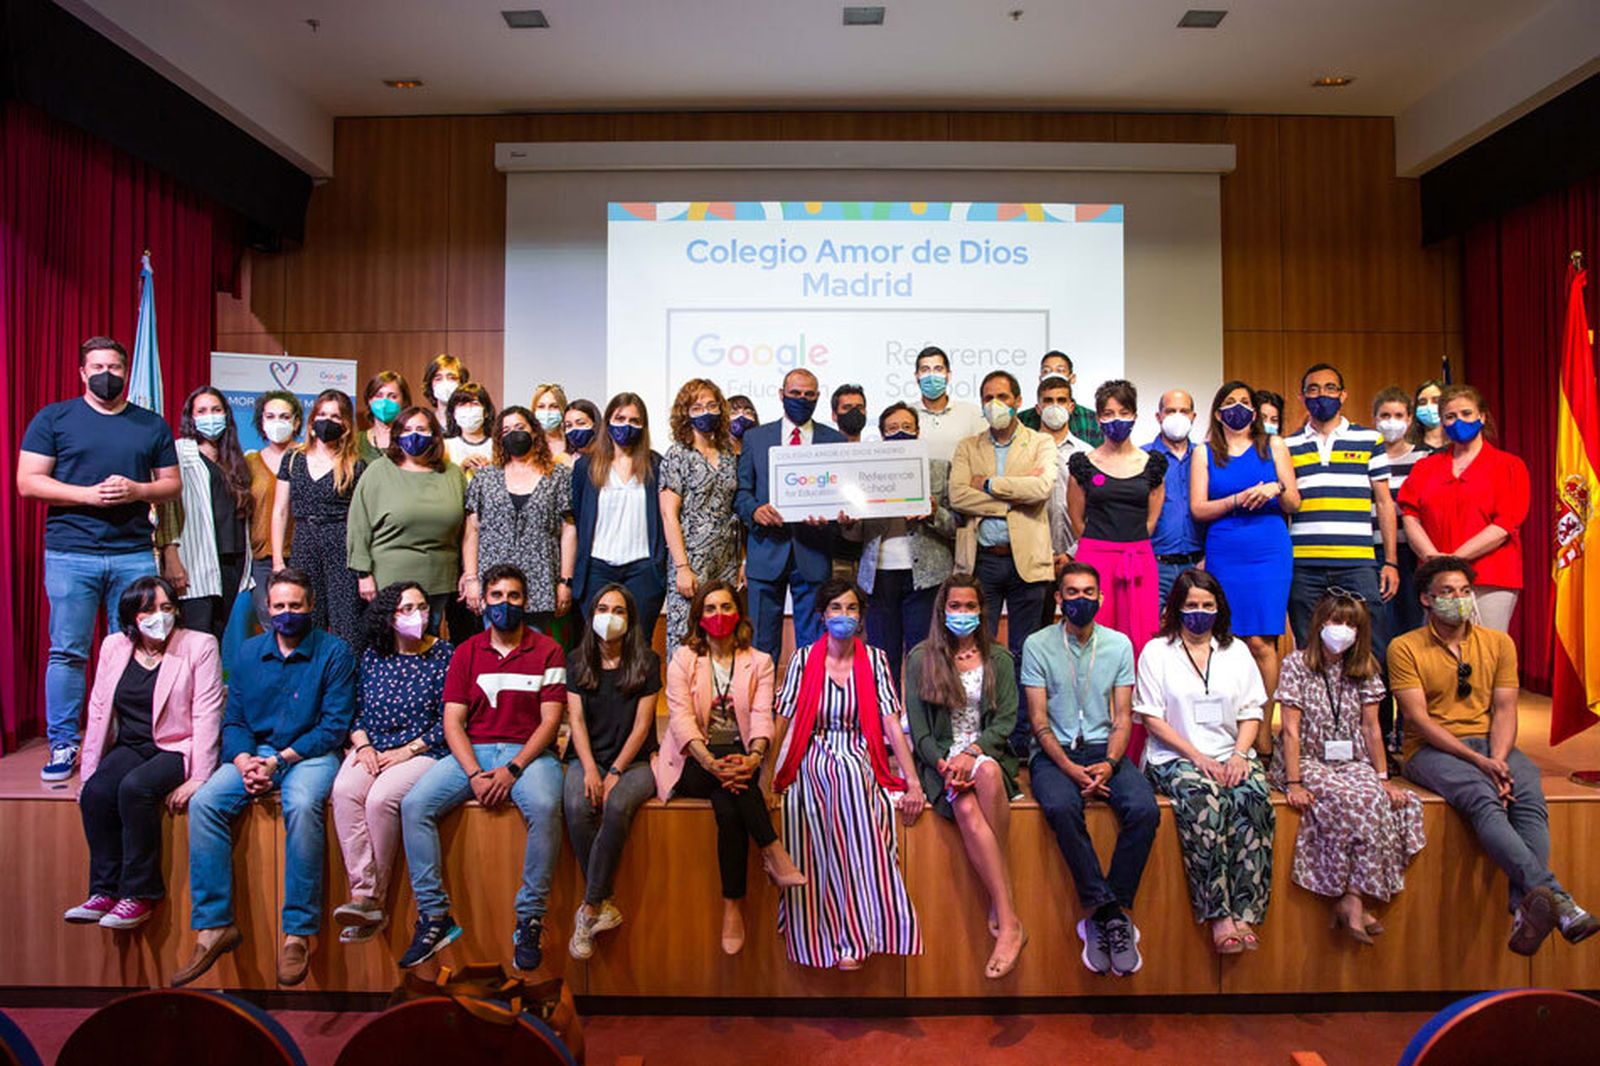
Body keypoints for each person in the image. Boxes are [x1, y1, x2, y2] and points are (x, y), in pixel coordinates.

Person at [1391, 555, 1597, 954]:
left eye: (1465, 591)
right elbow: (1420, 721)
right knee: (1483, 796)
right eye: (1447, 592)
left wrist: (1499, 759)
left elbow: (1505, 709)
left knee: (1529, 792)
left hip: (1492, 744)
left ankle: (1526, 908)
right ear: (1426, 600)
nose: (1459, 599)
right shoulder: (1405, 647)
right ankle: (1559, 900)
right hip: (1433, 750)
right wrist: (1481, 764)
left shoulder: (1499, 643)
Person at [175, 567, 354, 987]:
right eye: (279, 607)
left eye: (295, 606)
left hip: (309, 754)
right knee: (205, 803)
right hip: (255, 754)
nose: (287, 614)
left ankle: (297, 932)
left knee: (303, 802)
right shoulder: (248, 653)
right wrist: (243, 762)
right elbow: (234, 720)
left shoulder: (335, 653)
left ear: (311, 607)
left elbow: (334, 726)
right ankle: (214, 925)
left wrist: (278, 762)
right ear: (266, 610)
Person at [18, 336, 180, 782]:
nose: (107, 374)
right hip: (71, 553)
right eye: (97, 366)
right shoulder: (54, 418)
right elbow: (29, 482)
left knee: (132, 648)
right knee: (67, 651)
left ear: (126, 373)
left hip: (132, 552)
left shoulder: (150, 424)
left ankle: (125, 738)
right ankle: (65, 741)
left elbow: (171, 485)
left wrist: (137, 490)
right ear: (82, 372)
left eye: (115, 366)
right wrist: (87, 496)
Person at [398, 564, 567, 972]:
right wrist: (474, 773)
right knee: (414, 805)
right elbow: (452, 722)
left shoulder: (549, 651)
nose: (504, 604)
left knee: (546, 808)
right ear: (484, 602)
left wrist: (513, 768)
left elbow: (549, 721)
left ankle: (529, 918)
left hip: (528, 756)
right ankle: (435, 916)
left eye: (513, 596)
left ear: (525, 601)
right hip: (472, 752)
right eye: (496, 596)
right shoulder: (466, 652)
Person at [769, 579, 927, 970]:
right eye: (835, 608)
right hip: (812, 747)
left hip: (860, 749)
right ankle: (825, 934)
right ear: (822, 615)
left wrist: (913, 781)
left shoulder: (874, 660)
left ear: (861, 617)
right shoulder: (804, 659)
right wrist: (767, 780)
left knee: (852, 780)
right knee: (819, 789)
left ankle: (858, 932)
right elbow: (783, 721)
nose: (843, 616)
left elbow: (891, 724)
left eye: (851, 608)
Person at [1021, 563, 1158, 977]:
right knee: (1062, 807)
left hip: (1104, 750)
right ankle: (1110, 911)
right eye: (1072, 593)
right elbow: (1038, 720)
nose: (1081, 599)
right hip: (1054, 753)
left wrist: (1111, 763)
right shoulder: (1037, 643)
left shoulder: (1118, 645)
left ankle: (1104, 915)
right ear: (1059, 599)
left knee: (1145, 810)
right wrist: (1067, 766)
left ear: (1100, 598)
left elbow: (1122, 717)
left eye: (1089, 592)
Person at [657, 581, 805, 956]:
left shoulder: (760, 661)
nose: (718, 615)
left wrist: (755, 758)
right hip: (693, 759)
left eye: (726, 607)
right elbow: (682, 721)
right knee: (734, 788)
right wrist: (711, 762)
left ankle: (732, 906)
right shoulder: (682, 659)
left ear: (738, 613)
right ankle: (772, 851)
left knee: (728, 805)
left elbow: (760, 716)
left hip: (740, 758)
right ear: (699, 617)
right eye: (709, 609)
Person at [65, 577, 221, 931]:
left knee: (134, 789)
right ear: (133, 616)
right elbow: (100, 709)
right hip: (132, 744)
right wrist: (89, 773)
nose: (159, 616)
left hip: (177, 746)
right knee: (97, 793)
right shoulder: (114, 647)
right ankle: (104, 890)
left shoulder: (200, 645)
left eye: (167, 608)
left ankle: (140, 893)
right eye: (149, 610)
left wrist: (200, 776)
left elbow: (207, 713)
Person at [1271, 590, 1424, 943]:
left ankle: (1352, 896)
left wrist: (1382, 778)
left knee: (1374, 797)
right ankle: (1352, 902)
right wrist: (1293, 782)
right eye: (1335, 622)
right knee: (1347, 799)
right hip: (1306, 758)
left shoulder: (1366, 666)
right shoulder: (1296, 664)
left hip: (1352, 759)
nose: (1342, 630)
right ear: (1320, 624)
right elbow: (1290, 729)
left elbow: (1372, 728)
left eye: (1350, 624)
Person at [1136, 570, 1274, 955]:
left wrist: (1239, 755)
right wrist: (1197, 757)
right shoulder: (1156, 652)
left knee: (1253, 798)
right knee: (1205, 800)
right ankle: (1218, 913)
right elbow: (1152, 718)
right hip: (1175, 756)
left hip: (1230, 753)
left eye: (1207, 606)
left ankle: (1246, 907)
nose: (1199, 612)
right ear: (1176, 608)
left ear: (1219, 608)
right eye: (1191, 605)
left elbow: (1252, 710)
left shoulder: (1237, 651)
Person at [904, 575, 1027, 980]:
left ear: (981, 610)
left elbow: (1006, 721)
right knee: (967, 808)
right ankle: (1008, 918)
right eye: (954, 607)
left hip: (986, 755)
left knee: (988, 774)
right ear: (942, 611)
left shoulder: (1000, 658)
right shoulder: (922, 658)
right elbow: (919, 731)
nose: (962, 614)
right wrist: (944, 764)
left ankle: (1001, 905)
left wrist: (971, 754)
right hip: (941, 765)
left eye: (969, 606)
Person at [329, 582, 452, 945]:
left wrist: (408, 751)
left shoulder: (446, 655)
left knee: (380, 800)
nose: (418, 615)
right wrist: (362, 746)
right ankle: (362, 892)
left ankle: (373, 900)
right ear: (389, 616)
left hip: (423, 750)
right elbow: (357, 711)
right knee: (345, 790)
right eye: (407, 608)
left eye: (422, 607)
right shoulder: (372, 655)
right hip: (374, 746)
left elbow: (448, 721)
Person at [1190, 381, 1300, 752]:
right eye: (1230, 403)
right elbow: (1199, 508)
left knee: (1261, 642)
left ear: (1255, 411)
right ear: (1218, 412)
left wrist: (1276, 488)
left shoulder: (1275, 446)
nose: (1238, 408)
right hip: (1225, 547)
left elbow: (1295, 501)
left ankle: (1264, 731)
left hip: (1268, 550)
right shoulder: (1205, 453)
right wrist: (1237, 499)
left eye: (1245, 403)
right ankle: (1232, 731)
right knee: (1229, 640)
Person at [562, 584, 659, 960]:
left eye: (619, 611)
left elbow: (642, 725)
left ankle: (589, 908)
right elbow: (577, 722)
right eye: (603, 609)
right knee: (575, 805)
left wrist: (616, 769)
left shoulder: (647, 661)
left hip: (635, 761)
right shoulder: (577, 660)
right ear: (591, 616)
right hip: (587, 756)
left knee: (616, 806)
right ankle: (602, 903)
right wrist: (590, 768)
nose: (610, 617)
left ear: (630, 619)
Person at [949, 370, 1056, 691]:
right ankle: (986, 728)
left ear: (1018, 401)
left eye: (1003, 397)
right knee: (979, 650)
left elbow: (1041, 488)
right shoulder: (968, 446)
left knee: (1028, 652)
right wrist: (1012, 502)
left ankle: (1024, 733)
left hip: (1028, 563)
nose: (995, 404)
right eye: (988, 398)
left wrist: (990, 485)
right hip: (982, 561)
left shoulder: (1041, 441)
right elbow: (958, 495)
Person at [734, 368, 847, 662]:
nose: (802, 399)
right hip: (766, 550)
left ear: (818, 397)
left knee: (814, 643)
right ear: (781, 395)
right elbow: (741, 493)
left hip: (813, 550)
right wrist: (755, 511)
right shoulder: (755, 438)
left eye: (809, 394)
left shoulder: (835, 440)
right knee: (761, 643)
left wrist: (834, 516)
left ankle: (808, 703)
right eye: (795, 393)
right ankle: (761, 705)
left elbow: (842, 498)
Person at [1397, 385, 1529, 633]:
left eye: (1466, 414)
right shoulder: (1426, 468)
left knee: (1486, 652)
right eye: (1450, 416)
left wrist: (1455, 559)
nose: (1459, 421)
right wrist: (1434, 560)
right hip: (1435, 579)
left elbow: (1504, 524)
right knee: (1438, 656)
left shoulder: (1509, 466)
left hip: (1490, 577)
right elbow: (1411, 516)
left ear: (1482, 416)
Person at [1286, 363, 1398, 650]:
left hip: (1357, 561)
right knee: (1308, 645)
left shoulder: (1370, 440)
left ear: (1343, 395)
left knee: (1371, 645)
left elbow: (1384, 503)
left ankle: (1374, 698)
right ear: (1302, 398)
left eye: (1330, 388)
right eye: (1313, 389)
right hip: (1303, 563)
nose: (1321, 394)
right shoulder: (1287, 445)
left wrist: (1390, 562)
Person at [850, 403, 955, 691]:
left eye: (907, 428)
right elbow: (856, 534)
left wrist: (934, 512)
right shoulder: (865, 473)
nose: (901, 434)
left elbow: (955, 525)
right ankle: (887, 721)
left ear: (918, 432)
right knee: (883, 655)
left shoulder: (938, 469)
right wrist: (848, 522)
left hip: (926, 577)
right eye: (893, 429)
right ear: (882, 436)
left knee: (924, 655)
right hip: (879, 576)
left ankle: (921, 722)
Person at [346, 406, 467, 632]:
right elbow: (358, 525)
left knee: (428, 645)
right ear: (397, 435)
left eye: (422, 429)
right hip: (389, 579)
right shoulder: (378, 471)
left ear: (434, 435)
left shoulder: (452, 474)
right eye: (408, 429)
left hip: (438, 579)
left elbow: (468, 529)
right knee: (390, 646)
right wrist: (363, 574)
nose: (414, 435)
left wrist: (467, 573)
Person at [1068, 380, 1166, 658]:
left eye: (1123, 412)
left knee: (1141, 634)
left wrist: (1128, 542)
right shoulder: (1082, 463)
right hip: (1095, 557)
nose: (1116, 420)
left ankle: (1134, 702)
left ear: (1135, 415)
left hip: (1138, 556)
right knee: (1093, 632)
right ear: (1098, 418)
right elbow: (1076, 517)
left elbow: (1151, 519)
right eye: (1108, 414)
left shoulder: (1152, 464)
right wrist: (1099, 545)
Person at [462, 406, 576, 636]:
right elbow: (472, 531)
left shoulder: (558, 477)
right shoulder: (485, 478)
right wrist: (472, 579)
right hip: (494, 585)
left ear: (534, 432)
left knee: (534, 658)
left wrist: (565, 581)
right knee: (496, 654)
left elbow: (569, 531)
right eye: (506, 430)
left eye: (519, 427)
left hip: (540, 583)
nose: (513, 433)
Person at [272, 389, 368, 644]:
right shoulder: (293, 459)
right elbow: (280, 511)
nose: (328, 421)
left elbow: (361, 519)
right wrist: (278, 560)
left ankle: (345, 681)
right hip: (304, 542)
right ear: (312, 419)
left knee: (346, 623)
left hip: (341, 544)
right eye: (323, 414)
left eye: (336, 416)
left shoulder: (355, 465)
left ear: (346, 424)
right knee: (305, 619)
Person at [156, 386, 253, 639]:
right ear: (191, 417)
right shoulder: (180, 452)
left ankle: (210, 680)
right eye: (202, 411)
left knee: (216, 636)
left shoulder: (233, 458)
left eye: (216, 410)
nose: (210, 416)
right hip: (195, 559)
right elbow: (167, 508)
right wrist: (171, 555)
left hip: (232, 557)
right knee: (194, 635)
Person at [570, 392, 669, 635]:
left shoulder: (656, 465)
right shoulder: (585, 467)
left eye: (635, 421)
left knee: (638, 645)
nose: (627, 426)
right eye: (620, 418)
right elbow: (577, 515)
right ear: (607, 421)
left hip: (643, 570)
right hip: (597, 569)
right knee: (598, 644)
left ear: (644, 426)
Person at [1371, 386, 1434, 753]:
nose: (1392, 422)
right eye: (1385, 415)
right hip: (1373, 555)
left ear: (1409, 420)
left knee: (1410, 642)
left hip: (1413, 558)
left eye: (1399, 415)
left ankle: (1407, 729)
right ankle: (1380, 729)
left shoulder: (1424, 459)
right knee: (1377, 646)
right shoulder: (1368, 455)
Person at [660, 378, 741, 660]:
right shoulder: (677, 455)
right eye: (697, 407)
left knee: (722, 635)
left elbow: (735, 509)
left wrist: (742, 560)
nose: (705, 411)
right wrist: (682, 566)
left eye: (711, 405)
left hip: (726, 560)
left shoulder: (730, 454)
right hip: (691, 561)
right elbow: (669, 514)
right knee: (687, 636)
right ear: (685, 414)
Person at [246, 391, 302, 626]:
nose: (277, 422)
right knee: (271, 624)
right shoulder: (249, 463)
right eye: (270, 416)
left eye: (284, 416)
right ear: (261, 422)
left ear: (296, 421)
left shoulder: (308, 457)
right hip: (263, 558)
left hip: (302, 553)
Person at [1145, 389, 1203, 605]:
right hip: (1155, 565)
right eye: (1170, 411)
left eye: (1184, 411)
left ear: (1193, 417)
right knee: (1151, 633)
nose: (1177, 417)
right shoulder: (1143, 458)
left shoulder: (1205, 457)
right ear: (1158, 416)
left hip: (1198, 564)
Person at [911, 346, 986, 461]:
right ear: (917, 377)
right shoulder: (906, 415)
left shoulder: (972, 413)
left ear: (948, 375)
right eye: (925, 370)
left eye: (938, 369)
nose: (931, 375)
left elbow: (984, 457)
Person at [1017, 351, 1102, 444]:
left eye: (1060, 370)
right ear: (1040, 379)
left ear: (1072, 378)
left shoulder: (1091, 420)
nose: (1053, 375)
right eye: (1046, 371)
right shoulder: (1023, 420)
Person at [443, 382, 496, 474]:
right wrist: (462, 469)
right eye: (461, 405)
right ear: (453, 413)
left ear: (486, 412)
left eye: (474, 404)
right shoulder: (446, 446)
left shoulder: (497, 445)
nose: (468, 409)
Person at [358, 371, 411, 462]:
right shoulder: (356, 442)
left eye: (392, 396)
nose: (384, 402)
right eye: (379, 396)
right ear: (369, 401)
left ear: (404, 401)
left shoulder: (411, 440)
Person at [422, 354, 468, 428]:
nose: (445, 383)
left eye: (452, 378)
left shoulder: (470, 421)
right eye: (438, 378)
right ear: (430, 384)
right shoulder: (425, 422)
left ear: (462, 383)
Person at [530, 383, 570, 466]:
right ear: (534, 410)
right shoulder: (528, 442)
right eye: (541, 406)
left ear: (563, 410)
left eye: (554, 406)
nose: (547, 412)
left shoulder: (572, 441)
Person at [1409, 379, 1447, 454]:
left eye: (1436, 401)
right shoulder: (1409, 446)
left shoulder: (1458, 444)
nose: (1429, 406)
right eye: (1422, 402)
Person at [562, 399, 600, 466]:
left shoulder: (607, 456)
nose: (574, 429)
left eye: (581, 423)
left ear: (595, 424)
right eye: (568, 425)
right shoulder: (564, 461)